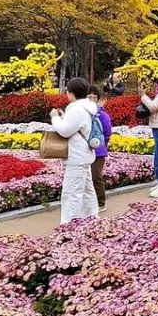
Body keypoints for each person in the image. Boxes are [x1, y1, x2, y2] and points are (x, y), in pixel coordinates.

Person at [49, 77, 99, 225]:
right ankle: (92, 220)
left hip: (76, 158)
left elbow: (64, 131)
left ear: (71, 93)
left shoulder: (76, 108)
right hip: (84, 155)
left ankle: (69, 226)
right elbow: (77, 126)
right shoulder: (86, 107)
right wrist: (65, 117)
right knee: (86, 191)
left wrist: (55, 118)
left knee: (72, 193)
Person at [87, 85, 112, 212]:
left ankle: (100, 202)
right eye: (89, 96)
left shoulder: (102, 115)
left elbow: (107, 133)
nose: (91, 99)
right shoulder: (82, 113)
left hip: (98, 151)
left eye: (94, 97)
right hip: (84, 151)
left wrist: (101, 145)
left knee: (96, 177)